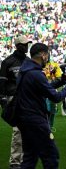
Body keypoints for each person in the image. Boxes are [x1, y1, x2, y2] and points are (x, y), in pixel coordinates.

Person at [16, 43, 66, 168]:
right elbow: (56, 97)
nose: (47, 58)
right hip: (36, 120)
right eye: (47, 55)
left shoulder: (26, 70)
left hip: (25, 119)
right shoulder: (36, 74)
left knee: (29, 158)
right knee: (51, 156)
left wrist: (62, 81)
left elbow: (42, 88)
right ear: (43, 55)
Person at [0, 35, 31, 169]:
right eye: (24, 44)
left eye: (27, 44)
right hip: (14, 98)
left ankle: (24, 159)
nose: (26, 46)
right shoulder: (7, 62)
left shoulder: (29, 61)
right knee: (18, 131)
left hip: (28, 98)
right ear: (17, 46)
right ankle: (15, 162)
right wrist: (2, 100)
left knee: (28, 130)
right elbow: (1, 82)